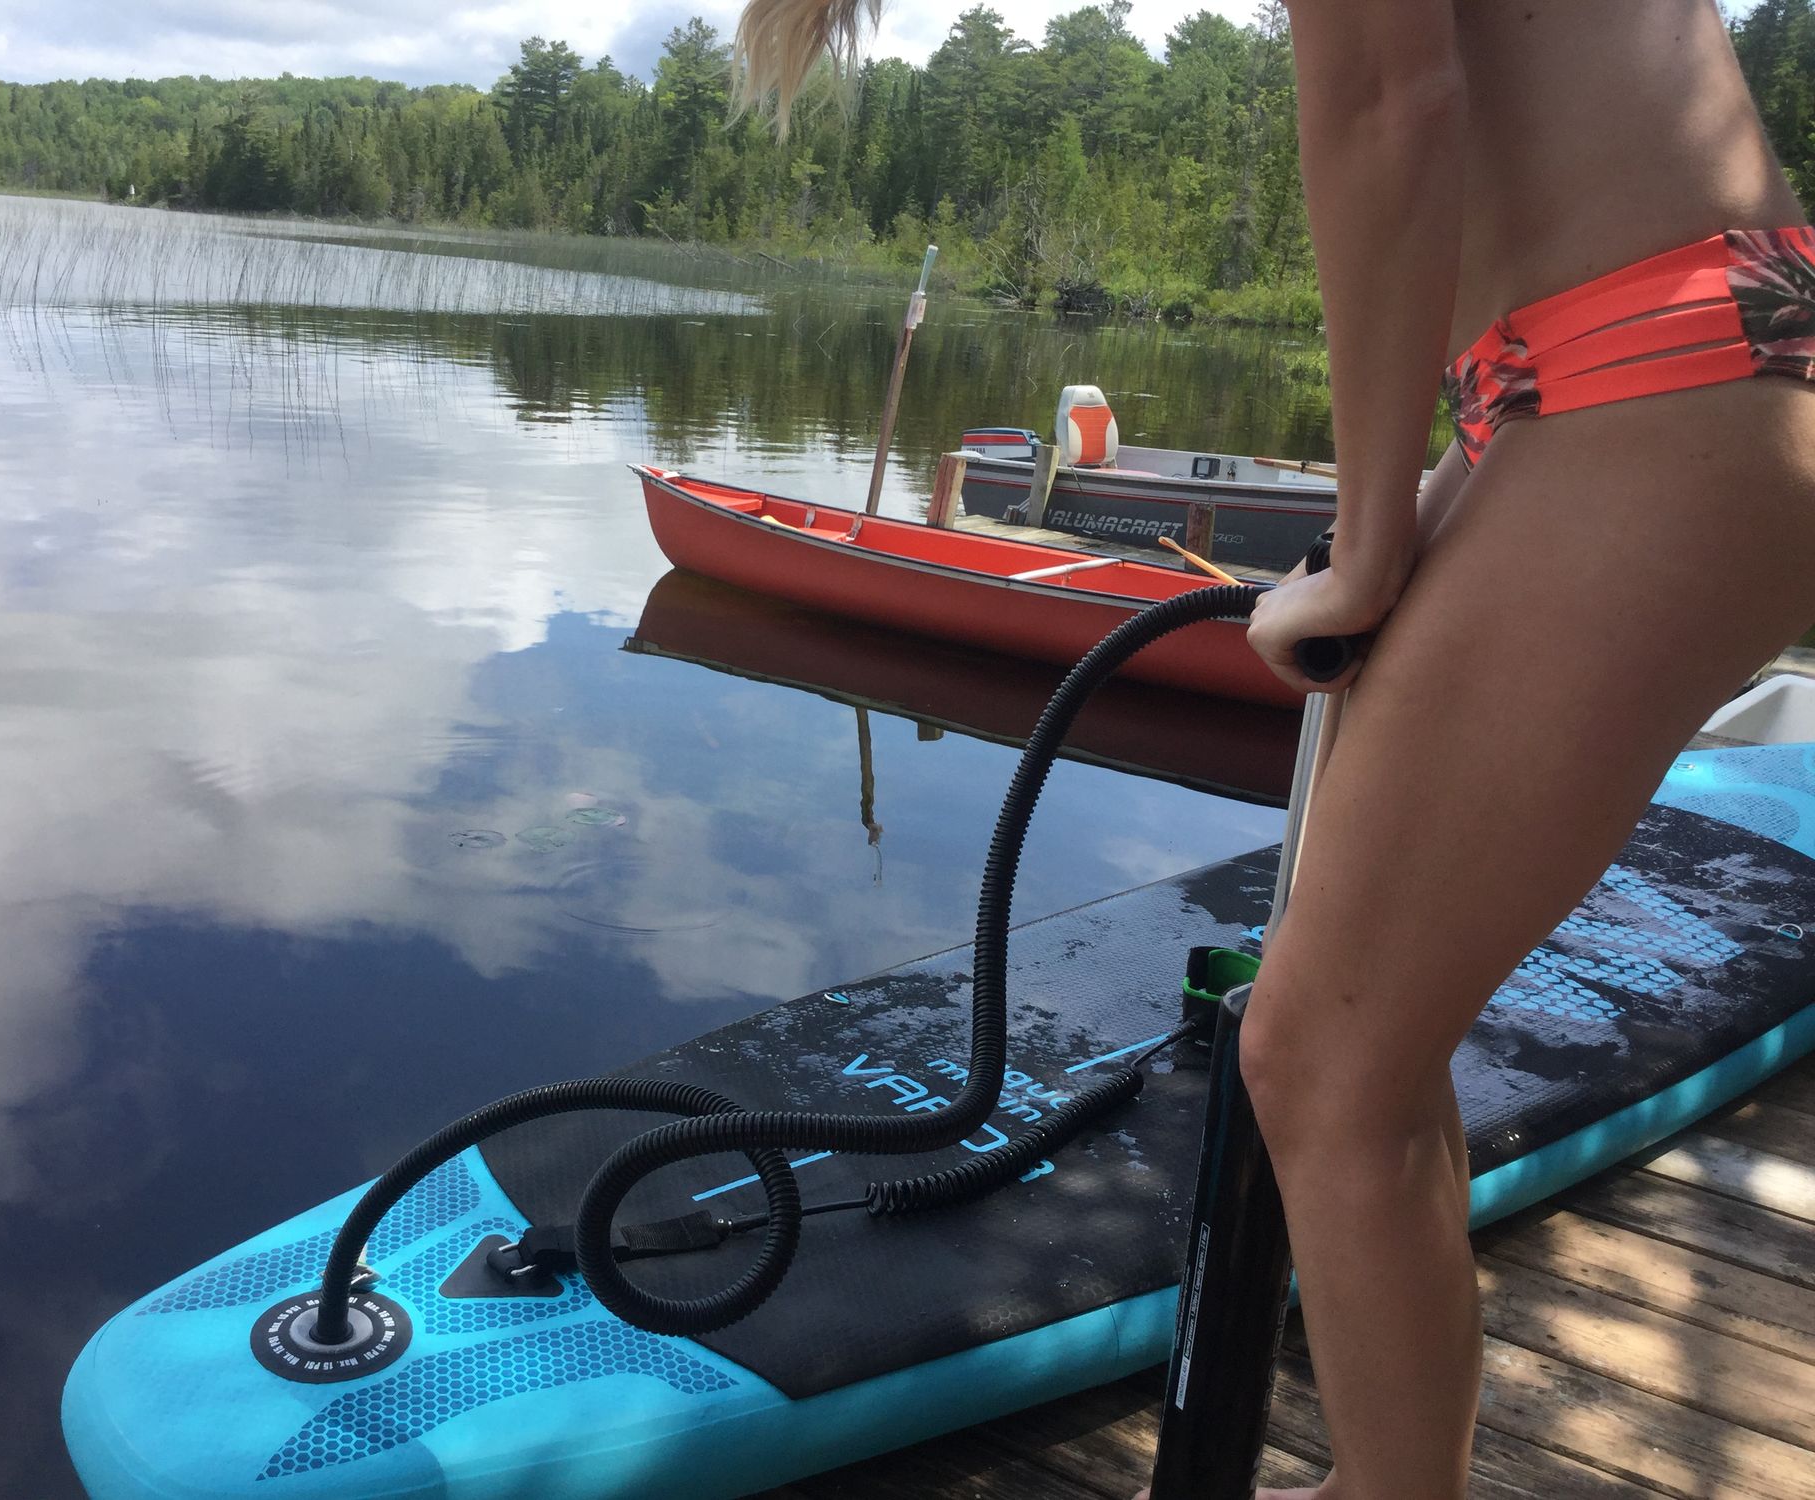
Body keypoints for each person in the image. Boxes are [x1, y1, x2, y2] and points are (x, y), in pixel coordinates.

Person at [733, 1, 1815, 1496]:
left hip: (1654, 380)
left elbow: (1388, 100)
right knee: (1362, 1046)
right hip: (1611, 365)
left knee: (1313, 1060)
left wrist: (1367, 549)